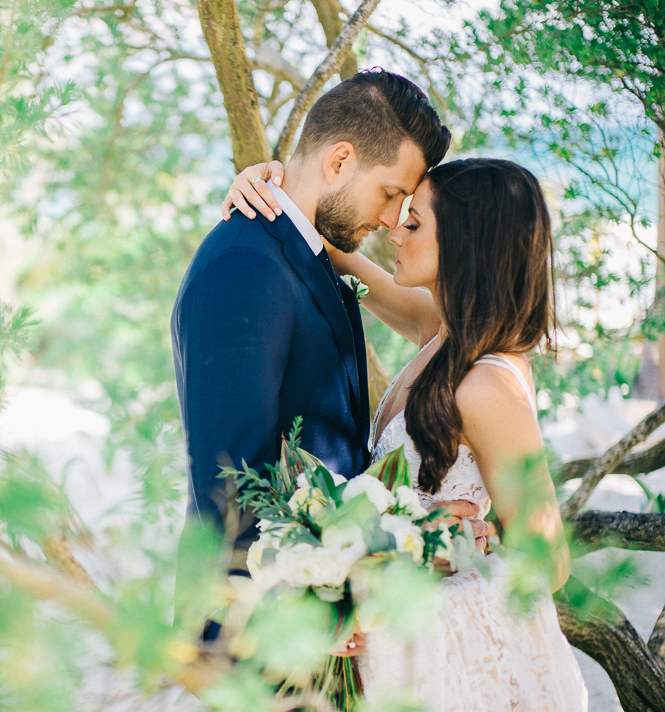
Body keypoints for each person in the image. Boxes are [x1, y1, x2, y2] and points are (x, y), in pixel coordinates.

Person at [226, 157, 588, 710]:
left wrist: (459, 543)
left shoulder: (488, 386)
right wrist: (264, 190)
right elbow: (329, 251)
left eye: (414, 223)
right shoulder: (437, 327)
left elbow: (549, 565)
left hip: (439, 661)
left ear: (467, 246)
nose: (394, 230)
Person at [170, 69, 494, 641]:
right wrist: (322, 620)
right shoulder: (245, 267)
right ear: (340, 162)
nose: (394, 219)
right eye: (392, 194)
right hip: (264, 640)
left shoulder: (305, 251)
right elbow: (231, 489)